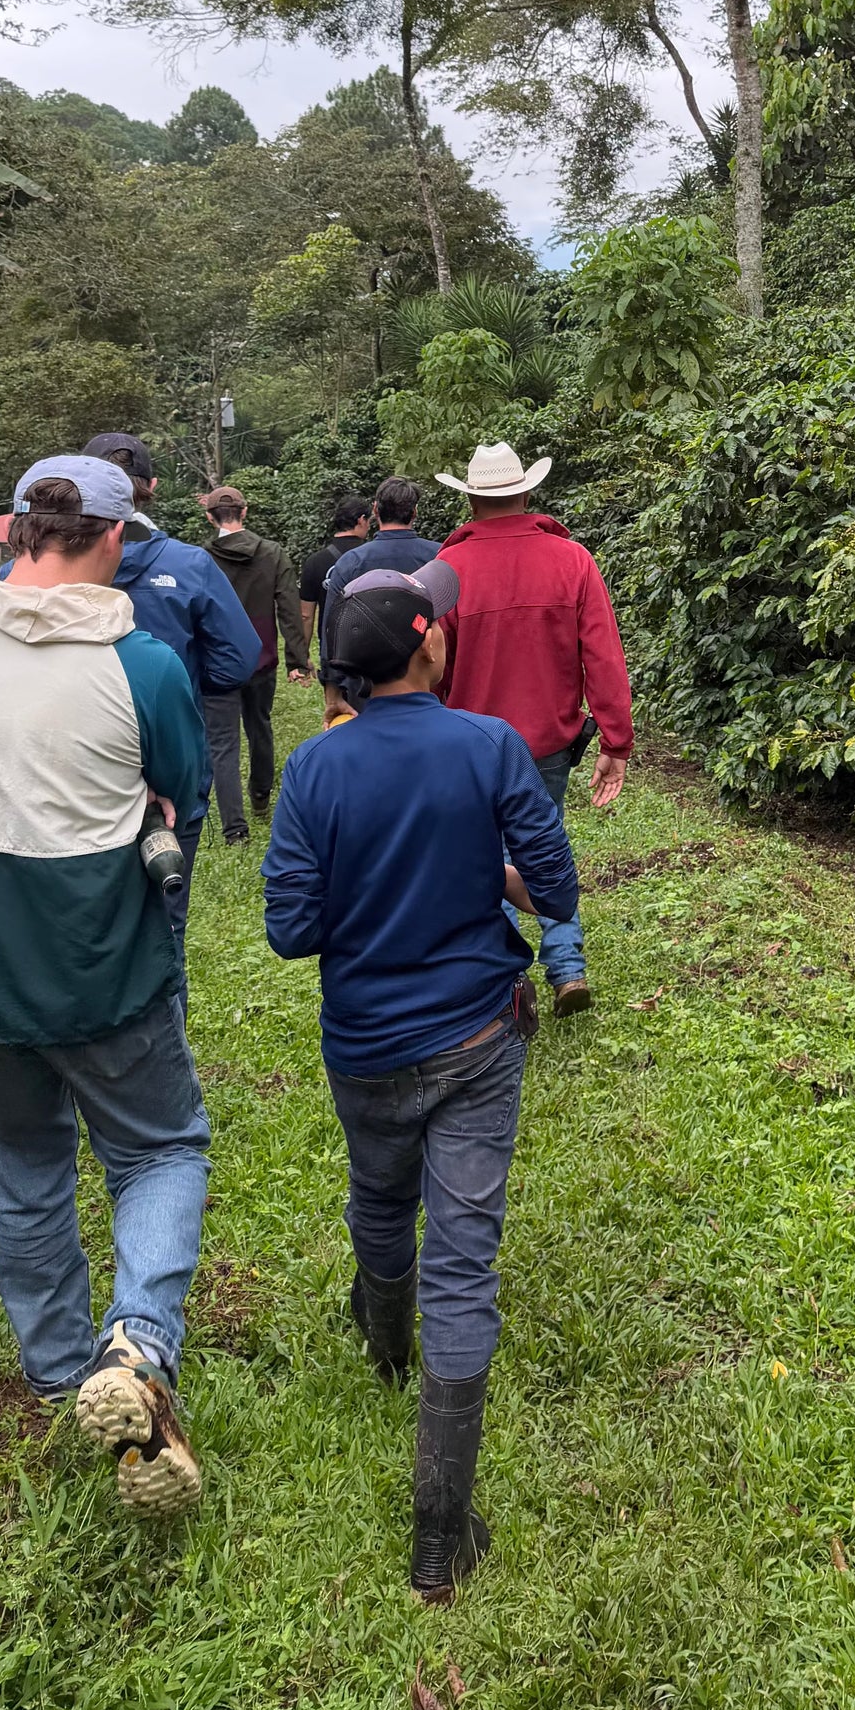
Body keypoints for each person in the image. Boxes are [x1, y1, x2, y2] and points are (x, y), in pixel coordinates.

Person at [0, 457, 212, 1516]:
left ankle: (58, 1371)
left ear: (15, 532)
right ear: (114, 538)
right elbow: (182, 788)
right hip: (99, 969)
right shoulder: (139, 664)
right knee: (159, 1148)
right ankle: (138, 1345)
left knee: (24, 1170)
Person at [263, 563, 579, 1603]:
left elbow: (290, 929)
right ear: (427, 642)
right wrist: (478, 870)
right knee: (464, 1259)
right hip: (478, 1037)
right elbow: (555, 888)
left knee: (379, 1197)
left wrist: (370, 884)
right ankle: (440, 1536)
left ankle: (386, 1347)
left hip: (363, 1044)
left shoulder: (315, 769)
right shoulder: (488, 746)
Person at [434, 440, 632, 1019]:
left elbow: (431, 666)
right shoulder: (573, 561)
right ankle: (567, 966)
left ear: (471, 501)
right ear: (525, 494)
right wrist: (615, 741)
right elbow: (603, 656)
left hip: (470, 743)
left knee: (484, 858)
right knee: (545, 844)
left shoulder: (448, 572)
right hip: (548, 741)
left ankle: (507, 980)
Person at [76, 432, 263, 866]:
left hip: (75, 762)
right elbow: (237, 660)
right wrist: (187, 680)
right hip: (167, 757)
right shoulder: (188, 564)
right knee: (167, 890)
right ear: (153, 487)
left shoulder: (35, 571)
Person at [197, 486, 312, 836]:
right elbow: (289, 609)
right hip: (261, 658)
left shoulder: (201, 558)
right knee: (259, 726)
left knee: (223, 743)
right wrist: (297, 660)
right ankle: (260, 798)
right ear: (244, 512)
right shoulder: (272, 553)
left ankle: (234, 828)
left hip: (216, 661)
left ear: (210, 517)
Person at [315, 477, 440, 686]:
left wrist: (333, 686)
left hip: (365, 682)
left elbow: (332, 628)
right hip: (426, 676)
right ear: (415, 512)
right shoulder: (440, 556)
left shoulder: (351, 562)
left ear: (375, 510)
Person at [300, 493, 373, 665]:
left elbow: (305, 616)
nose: (369, 526)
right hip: (370, 647)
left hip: (332, 649)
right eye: (369, 521)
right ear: (361, 520)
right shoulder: (373, 557)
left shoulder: (315, 561)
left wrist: (302, 656)